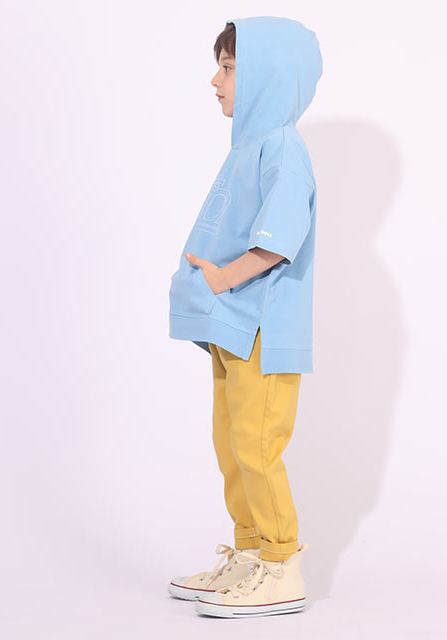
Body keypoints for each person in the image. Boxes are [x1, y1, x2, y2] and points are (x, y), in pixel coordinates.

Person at [167, 16, 322, 618]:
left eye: (229, 68)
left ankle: (281, 566)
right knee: (230, 445)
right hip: (231, 327)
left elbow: (282, 236)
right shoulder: (246, 149)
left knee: (256, 446)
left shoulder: (282, 146)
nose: (216, 81)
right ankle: (251, 553)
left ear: (268, 77)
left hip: (261, 326)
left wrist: (223, 278)